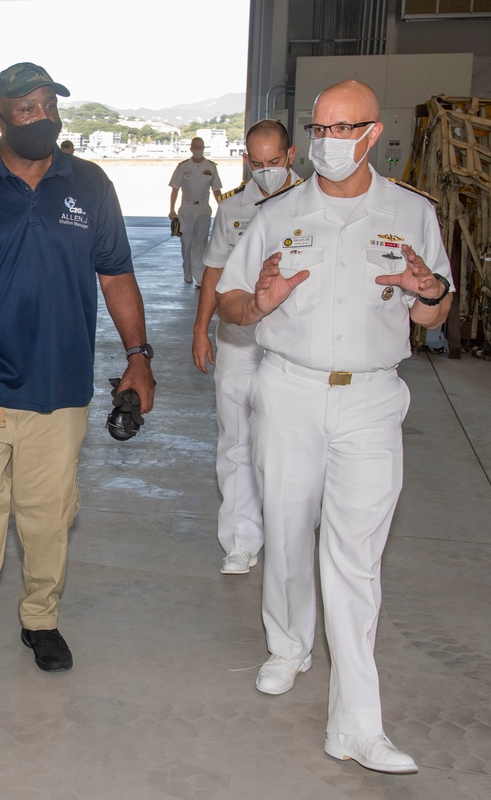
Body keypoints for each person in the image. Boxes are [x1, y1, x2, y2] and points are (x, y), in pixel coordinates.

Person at [217, 80, 453, 773]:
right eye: (318, 130)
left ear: (372, 134)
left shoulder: (411, 213)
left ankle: (357, 722)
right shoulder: (277, 212)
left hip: (373, 400)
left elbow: (434, 313)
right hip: (288, 391)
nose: (328, 143)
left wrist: (426, 292)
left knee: (354, 559)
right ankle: (288, 645)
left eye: (343, 129)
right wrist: (254, 306)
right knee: (288, 535)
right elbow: (229, 300)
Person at [0, 62, 154, 702]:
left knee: (47, 518)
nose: (42, 116)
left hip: (59, 386)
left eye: (48, 104)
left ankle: (40, 619)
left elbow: (118, 275)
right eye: (26, 108)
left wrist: (140, 356)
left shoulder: (91, 186)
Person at [191, 119, 299, 575]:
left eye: (274, 162)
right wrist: (200, 329)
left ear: (291, 156)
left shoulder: (313, 205)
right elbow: (213, 271)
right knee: (236, 441)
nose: (265, 170)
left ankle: (289, 537)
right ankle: (240, 540)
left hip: (294, 343)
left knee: (292, 445)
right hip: (239, 340)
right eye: (257, 163)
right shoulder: (234, 208)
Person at [169, 137, 222, 286]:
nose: (198, 149)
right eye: (195, 147)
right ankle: (187, 272)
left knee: (201, 242)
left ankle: (199, 276)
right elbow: (175, 188)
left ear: (204, 148)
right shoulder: (183, 167)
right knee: (186, 242)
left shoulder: (211, 167)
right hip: (186, 208)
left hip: (203, 208)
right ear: (191, 148)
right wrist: (171, 209)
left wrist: (223, 208)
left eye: (201, 147)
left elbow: (216, 190)